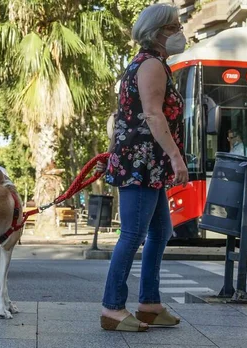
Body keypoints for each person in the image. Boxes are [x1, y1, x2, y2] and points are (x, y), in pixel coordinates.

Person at [95, 3, 187, 332]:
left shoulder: (154, 63)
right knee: (132, 234)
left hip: (147, 163)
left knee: (160, 231)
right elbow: (152, 114)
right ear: (157, 32)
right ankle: (112, 308)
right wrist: (176, 157)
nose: (180, 32)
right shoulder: (150, 65)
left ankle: (149, 303)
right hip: (141, 162)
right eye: (174, 27)